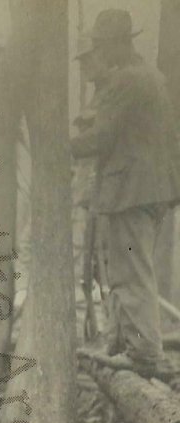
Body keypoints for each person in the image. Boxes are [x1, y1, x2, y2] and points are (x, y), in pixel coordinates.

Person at [71, 9, 180, 379]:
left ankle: (147, 353)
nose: (99, 56)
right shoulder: (151, 77)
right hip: (146, 190)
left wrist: (57, 145)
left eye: (102, 47)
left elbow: (101, 138)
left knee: (132, 272)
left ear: (117, 44)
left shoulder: (127, 82)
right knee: (126, 268)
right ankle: (123, 342)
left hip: (132, 191)